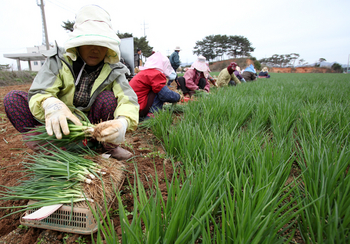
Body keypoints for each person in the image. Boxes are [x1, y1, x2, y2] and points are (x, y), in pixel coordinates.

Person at [3, 5, 139, 160]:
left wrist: (123, 122)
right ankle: (52, 152)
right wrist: (51, 104)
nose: (95, 49)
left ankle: (105, 148)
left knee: (107, 98)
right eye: (89, 42)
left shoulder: (114, 68)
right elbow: (39, 92)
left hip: (90, 128)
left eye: (101, 44)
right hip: (58, 124)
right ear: (78, 43)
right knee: (13, 100)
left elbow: (128, 100)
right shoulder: (58, 61)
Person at [129, 52, 181, 121]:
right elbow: (165, 95)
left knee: (157, 89)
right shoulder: (155, 74)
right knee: (159, 91)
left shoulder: (145, 72)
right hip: (139, 107)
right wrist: (178, 96)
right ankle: (151, 115)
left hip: (131, 108)